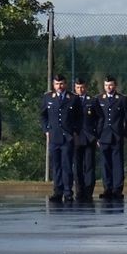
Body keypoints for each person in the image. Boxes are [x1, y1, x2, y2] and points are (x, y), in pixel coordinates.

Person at [40, 74, 81, 204]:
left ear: (66, 84)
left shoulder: (73, 98)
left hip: (67, 137)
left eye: (62, 83)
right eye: (57, 84)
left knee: (67, 166)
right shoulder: (48, 97)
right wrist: (46, 130)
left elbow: (79, 117)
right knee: (56, 166)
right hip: (54, 137)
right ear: (53, 84)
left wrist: (75, 131)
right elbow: (43, 115)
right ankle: (58, 191)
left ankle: (68, 192)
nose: (59, 86)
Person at [72, 78, 100, 203]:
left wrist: (96, 133)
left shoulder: (92, 101)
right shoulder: (71, 100)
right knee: (77, 166)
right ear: (74, 88)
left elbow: (100, 118)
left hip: (89, 138)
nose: (80, 90)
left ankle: (88, 192)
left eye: (82, 87)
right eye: (77, 87)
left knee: (89, 166)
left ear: (86, 87)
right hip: (76, 137)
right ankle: (79, 191)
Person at [97, 76, 125, 200]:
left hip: (117, 135)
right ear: (104, 86)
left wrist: (124, 133)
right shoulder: (99, 99)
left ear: (115, 85)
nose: (109, 87)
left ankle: (117, 189)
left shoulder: (122, 99)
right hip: (103, 136)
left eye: (111, 85)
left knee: (118, 164)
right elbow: (97, 119)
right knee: (105, 164)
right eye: (107, 85)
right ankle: (107, 188)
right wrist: (97, 135)